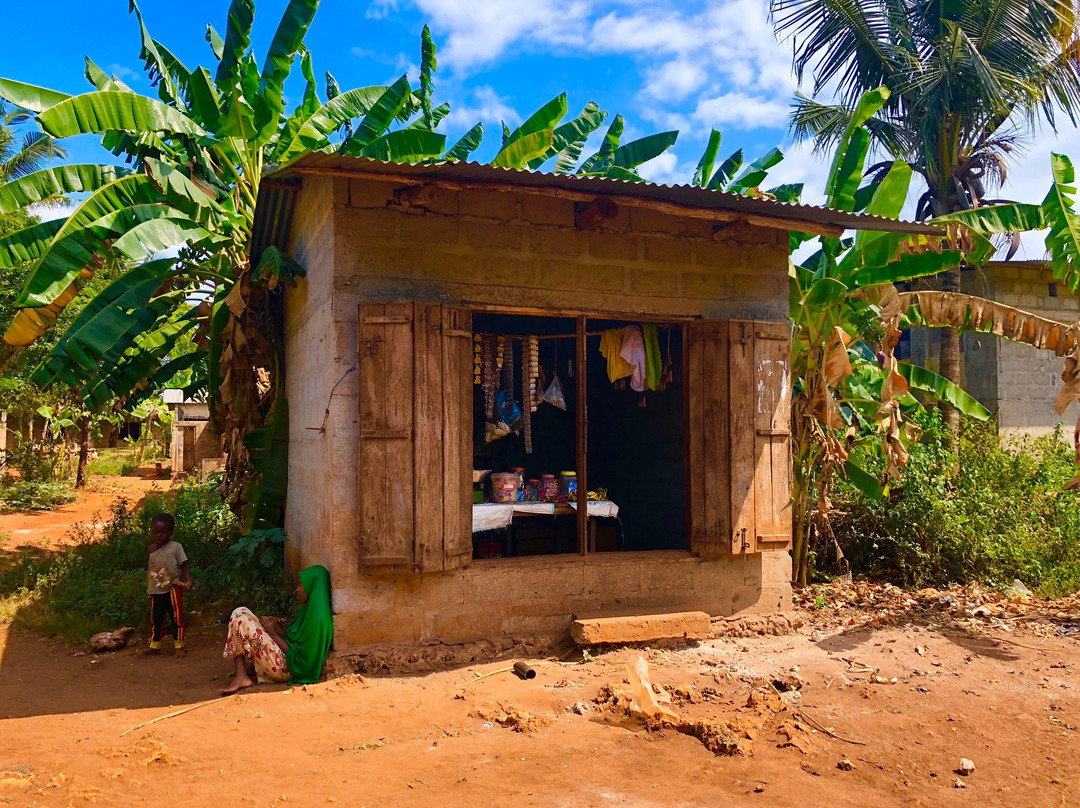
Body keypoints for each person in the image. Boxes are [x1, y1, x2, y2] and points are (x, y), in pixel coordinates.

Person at [220, 565, 333, 695]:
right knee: (240, 611)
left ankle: (243, 676)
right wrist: (274, 625)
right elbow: (291, 636)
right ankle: (242, 673)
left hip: (287, 668)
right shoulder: (309, 611)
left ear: (313, 587)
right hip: (283, 658)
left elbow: (302, 663)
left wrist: (272, 634)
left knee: (242, 622)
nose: (297, 590)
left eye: (301, 586)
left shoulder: (319, 621)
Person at [146, 513, 192, 655]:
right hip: (155, 589)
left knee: (176, 617)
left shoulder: (176, 547)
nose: (158, 535)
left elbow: (184, 564)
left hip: (173, 587)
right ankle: (154, 645)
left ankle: (179, 645)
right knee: (156, 617)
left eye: (163, 532)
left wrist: (187, 580)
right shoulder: (151, 549)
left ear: (170, 533)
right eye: (155, 532)